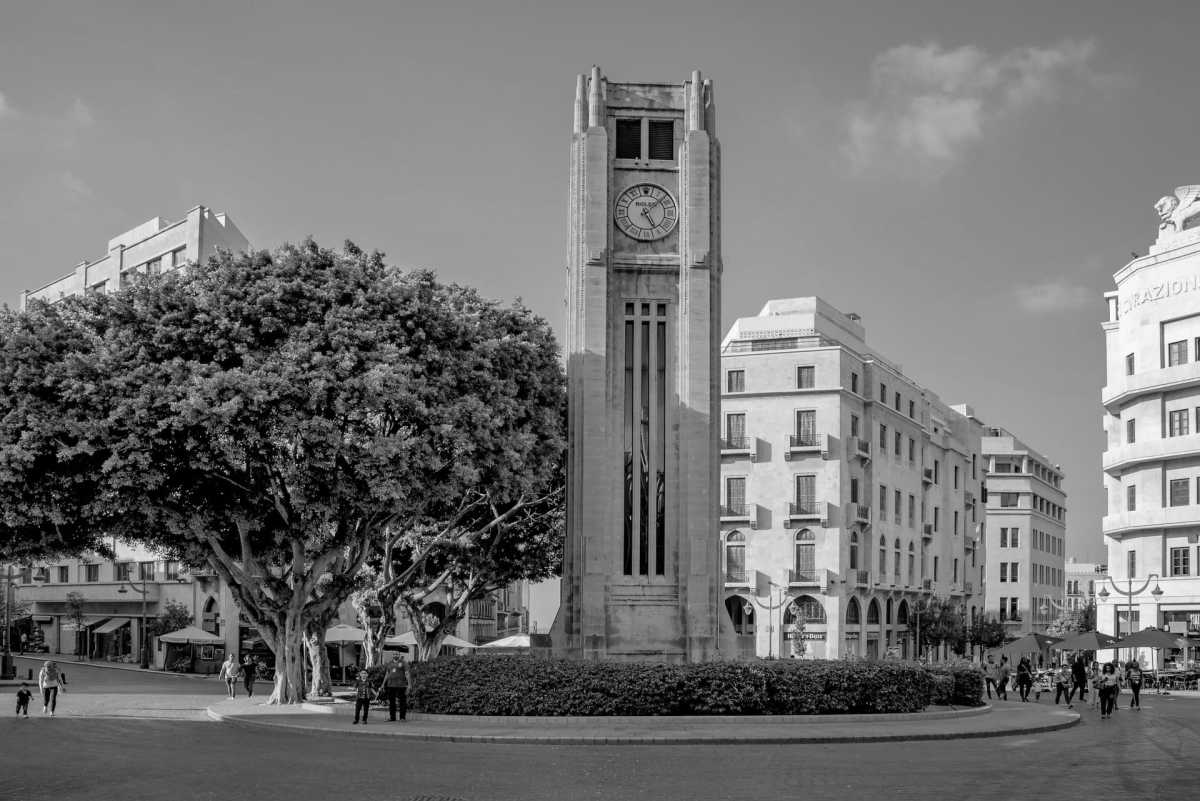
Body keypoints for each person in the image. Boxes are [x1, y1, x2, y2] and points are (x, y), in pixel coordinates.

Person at [381, 654, 411, 722]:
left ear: (399, 655)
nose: (395, 655)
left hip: (401, 685)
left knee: (402, 702)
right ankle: (392, 717)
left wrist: (409, 685)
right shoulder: (390, 663)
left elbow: (407, 673)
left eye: (397, 654)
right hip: (391, 685)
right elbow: (387, 674)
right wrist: (383, 684)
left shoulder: (404, 663)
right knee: (391, 702)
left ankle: (402, 718)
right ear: (393, 655)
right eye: (394, 654)